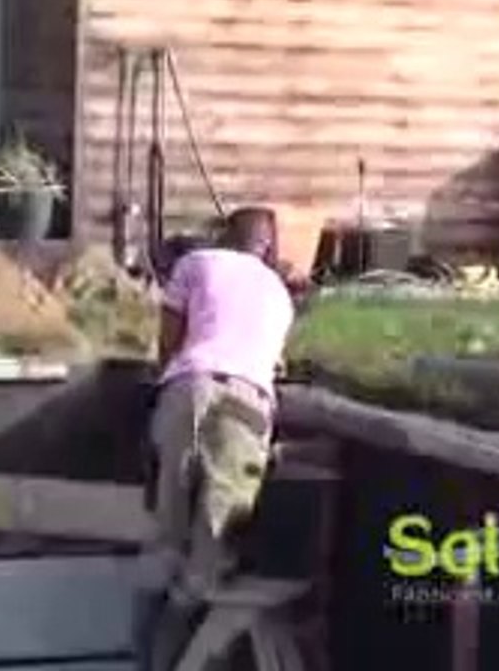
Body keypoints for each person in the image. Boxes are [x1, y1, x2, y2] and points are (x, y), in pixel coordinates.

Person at [141, 207, 297, 668]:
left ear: (225, 235)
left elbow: (168, 337)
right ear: (268, 246)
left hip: (189, 384)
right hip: (248, 400)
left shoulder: (197, 262)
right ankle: (188, 626)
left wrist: (164, 380)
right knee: (217, 531)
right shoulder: (280, 294)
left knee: (168, 527)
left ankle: (152, 650)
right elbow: (270, 356)